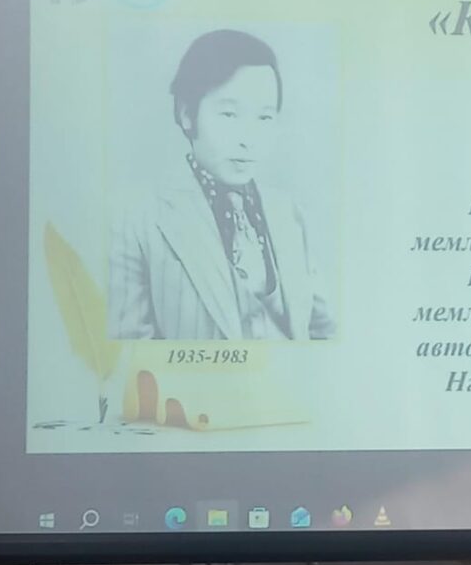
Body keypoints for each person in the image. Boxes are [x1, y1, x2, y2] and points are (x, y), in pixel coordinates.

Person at [107, 29, 335, 341]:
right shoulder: (136, 219)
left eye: (264, 118)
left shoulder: (288, 212)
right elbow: (129, 350)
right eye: (229, 114)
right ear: (187, 114)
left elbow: (324, 332)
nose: (248, 139)